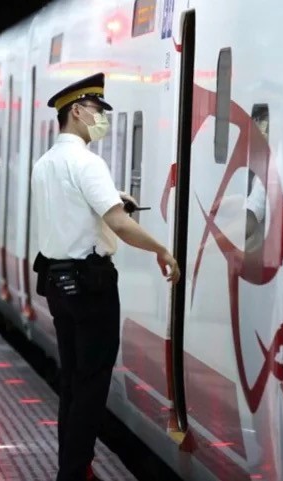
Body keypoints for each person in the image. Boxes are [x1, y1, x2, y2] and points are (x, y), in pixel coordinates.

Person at [31, 73, 181, 481]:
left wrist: (114, 202)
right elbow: (119, 224)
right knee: (92, 384)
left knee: (73, 381)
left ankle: (73, 467)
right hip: (90, 285)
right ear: (77, 111)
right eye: (98, 111)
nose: (102, 119)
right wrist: (162, 249)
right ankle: (75, 472)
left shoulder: (44, 164)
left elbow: (77, 211)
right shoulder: (88, 162)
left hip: (57, 283)